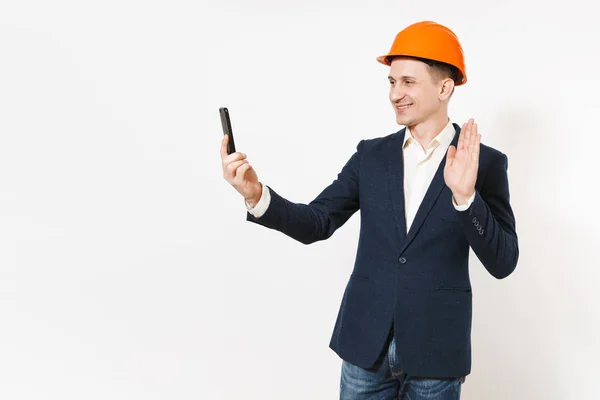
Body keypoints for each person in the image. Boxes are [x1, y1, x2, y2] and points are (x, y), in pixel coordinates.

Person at [220, 20, 519, 400]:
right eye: (392, 82)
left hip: (436, 352)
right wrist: (256, 194)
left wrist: (465, 198)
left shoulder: (485, 163)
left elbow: (504, 261)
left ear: (444, 87)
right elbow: (317, 222)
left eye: (408, 82)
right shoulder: (371, 156)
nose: (396, 94)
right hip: (365, 347)